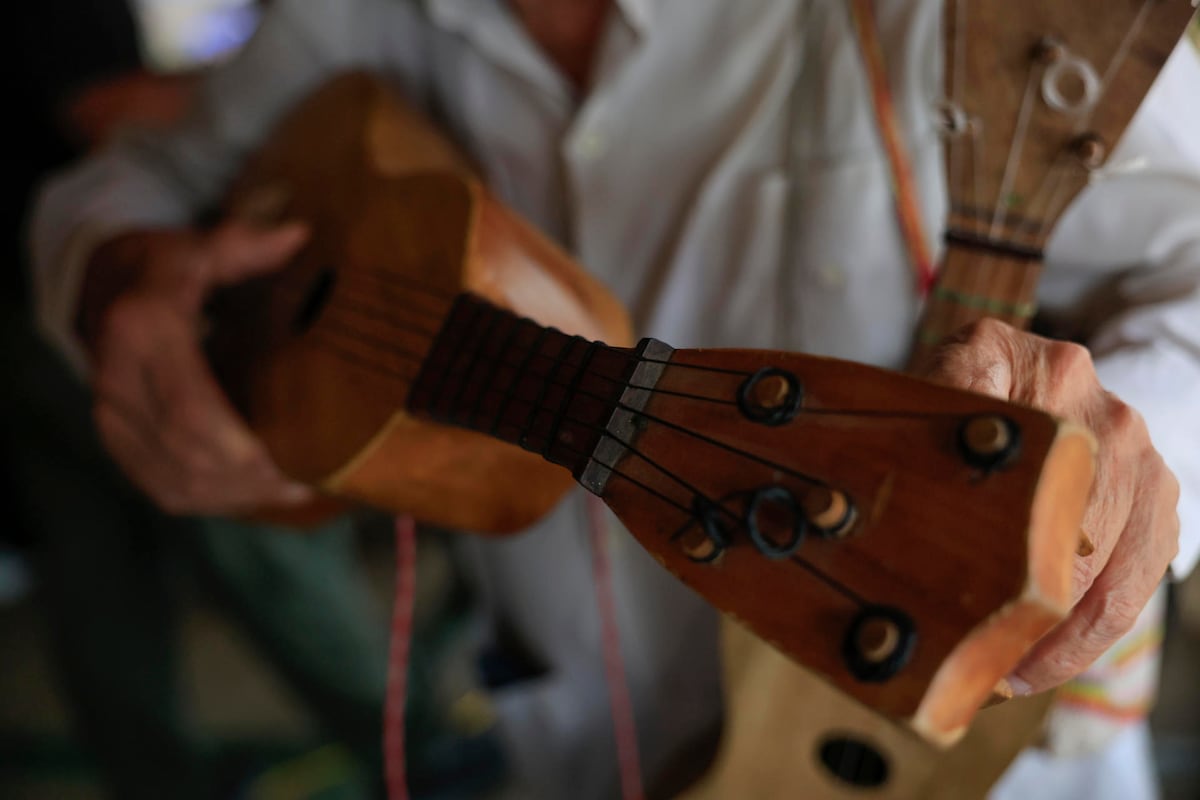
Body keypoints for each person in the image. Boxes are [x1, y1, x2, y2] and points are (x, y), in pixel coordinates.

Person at [28, 1, 1200, 798]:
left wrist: (1131, 444)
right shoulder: (354, 15)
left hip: (964, 762)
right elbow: (141, 177)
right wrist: (109, 270)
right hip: (579, 741)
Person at [6, 3, 395, 797]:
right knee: (251, 522)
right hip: (61, 317)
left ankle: (152, 778)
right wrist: (247, 92)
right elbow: (110, 108)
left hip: (20, 308)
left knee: (96, 579)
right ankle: (410, 747)